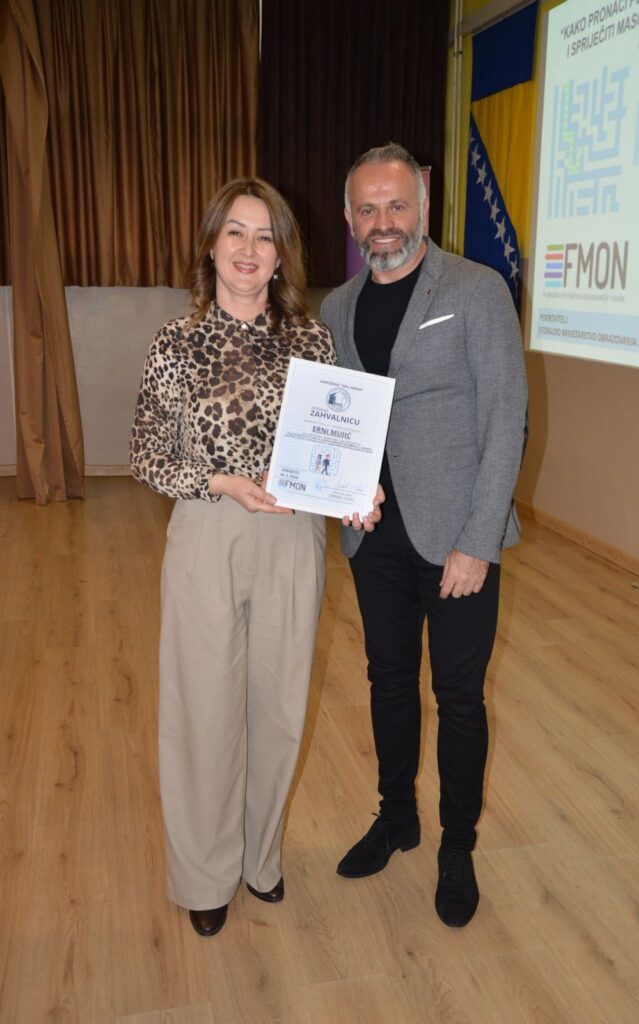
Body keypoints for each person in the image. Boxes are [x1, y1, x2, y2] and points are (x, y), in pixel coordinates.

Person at [130, 177, 380, 937]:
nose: (248, 249)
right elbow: (145, 453)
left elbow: (335, 449)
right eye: (235, 232)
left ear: (281, 255)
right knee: (203, 710)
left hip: (293, 539)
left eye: (265, 236)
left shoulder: (312, 340)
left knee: (277, 707)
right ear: (212, 246)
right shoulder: (176, 342)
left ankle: (259, 858)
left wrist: (356, 492)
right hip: (208, 530)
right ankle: (205, 874)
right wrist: (219, 481)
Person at [321, 144, 528, 928]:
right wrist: (342, 493)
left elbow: (507, 419)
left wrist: (479, 541)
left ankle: (457, 845)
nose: (383, 222)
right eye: (367, 208)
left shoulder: (475, 290)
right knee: (388, 680)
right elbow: (339, 420)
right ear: (350, 217)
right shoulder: (337, 307)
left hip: (458, 539)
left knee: (460, 697)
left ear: (424, 207)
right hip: (374, 537)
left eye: (396, 205)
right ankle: (396, 817)